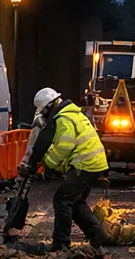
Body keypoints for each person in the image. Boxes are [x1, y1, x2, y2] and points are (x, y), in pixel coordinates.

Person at [19, 86, 109, 250]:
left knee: (62, 200)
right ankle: (98, 236)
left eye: (44, 112)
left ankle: (61, 243)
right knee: (76, 202)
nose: (45, 116)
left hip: (85, 164)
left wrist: (46, 165)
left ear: (49, 106)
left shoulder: (64, 119)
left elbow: (63, 148)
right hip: (94, 163)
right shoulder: (73, 114)